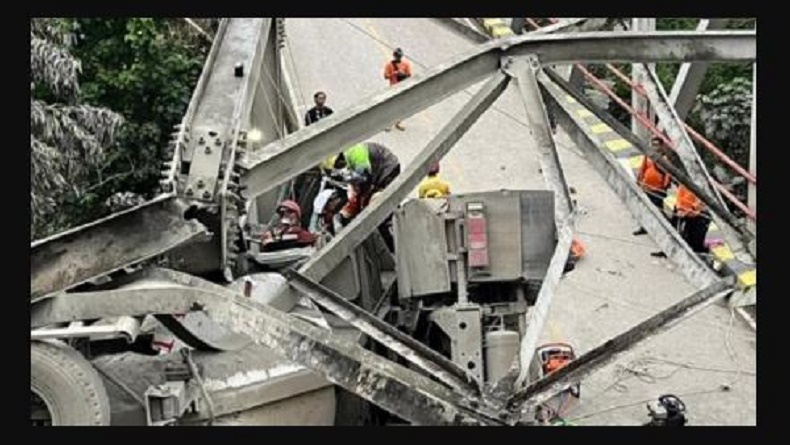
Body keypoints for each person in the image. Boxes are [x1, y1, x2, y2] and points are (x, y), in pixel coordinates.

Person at [634, 136, 672, 236]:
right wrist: (639, 180)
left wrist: (665, 186)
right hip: (646, 186)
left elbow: (668, 173)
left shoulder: (664, 158)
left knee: (658, 209)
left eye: (656, 145)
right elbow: (643, 167)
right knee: (646, 207)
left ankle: (663, 228)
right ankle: (644, 227)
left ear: (661, 146)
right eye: (653, 144)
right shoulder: (648, 155)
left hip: (658, 189)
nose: (654, 147)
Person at [383, 48, 412, 131]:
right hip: (393, 87)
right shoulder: (389, 65)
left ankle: (398, 122)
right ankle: (388, 123)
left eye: (399, 56)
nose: (398, 58)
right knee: (391, 106)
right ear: (394, 56)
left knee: (401, 106)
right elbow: (385, 76)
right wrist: (394, 73)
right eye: (397, 56)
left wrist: (403, 74)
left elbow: (409, 75)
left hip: (402, 87)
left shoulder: (406, 64)